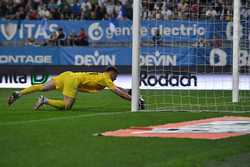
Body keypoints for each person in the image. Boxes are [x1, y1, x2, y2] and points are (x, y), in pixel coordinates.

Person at [8, 66, 144, 111]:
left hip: (67, 74)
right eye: (116, 75)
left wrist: (129, 92)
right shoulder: (106, 78)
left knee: (43, 86)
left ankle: (19, 93)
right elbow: (118, 92)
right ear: (112, 72)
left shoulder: (103, 77)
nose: (116, 78)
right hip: (73, 81)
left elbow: (118, 88)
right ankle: (45, 100)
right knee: (67, 106)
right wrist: (134, 101)